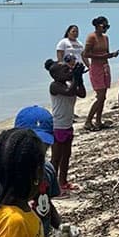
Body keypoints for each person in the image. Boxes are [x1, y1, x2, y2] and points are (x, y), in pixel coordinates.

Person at [45, 60, 86, 192]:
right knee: (56, 158)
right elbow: (69, 92)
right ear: (56, 76)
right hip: (58, 126)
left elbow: (82, 93)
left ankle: (63, 182)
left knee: (66, 155)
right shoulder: (54, 86)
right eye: (66, 71)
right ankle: (51, 186)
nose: (69, 72)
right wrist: (75, 76)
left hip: (68, 125)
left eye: (70, 69)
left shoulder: (69, 84)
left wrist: (79, 78)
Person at [83, 16, 119, 131]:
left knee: (103, 97)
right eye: (104, 26)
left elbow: (106, 53)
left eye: (107, 26)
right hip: (96, 68)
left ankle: (98, 121)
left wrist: (111, 55)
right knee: (100, 96)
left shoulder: (105, 38)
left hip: (105, 67)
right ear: (98, 25)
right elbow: (86, 54)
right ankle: (88, 121)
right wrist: (101, 56)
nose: (106, 29)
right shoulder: (91, 37)